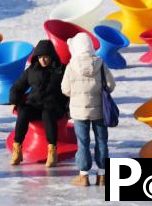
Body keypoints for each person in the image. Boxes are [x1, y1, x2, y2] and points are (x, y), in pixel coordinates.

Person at [61, 32, 116, 187]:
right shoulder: (100, 63)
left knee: (83, 142)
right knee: (101, 141)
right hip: (100, 110)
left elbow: (65, 89)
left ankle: (83, 176)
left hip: (79, 112)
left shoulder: (71, 66)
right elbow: (111, 85)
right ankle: (102, 175)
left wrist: (77, 94)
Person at [9, 39, 68, 168]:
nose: (42, 60)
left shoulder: (61, 70)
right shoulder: (31, 70)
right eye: (40, 57)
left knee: (48, 114)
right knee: (23, 111)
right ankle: (17, 150)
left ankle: (52, 151)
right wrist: (14, 101)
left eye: (46, 57)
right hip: (34, 104)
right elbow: (18, 86)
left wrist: (68, 108)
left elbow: (71, 90)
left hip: (53, 105)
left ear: (51, 56)